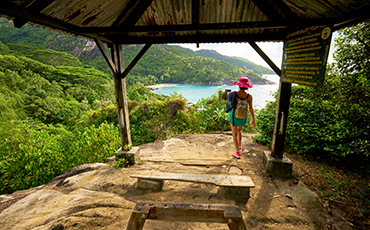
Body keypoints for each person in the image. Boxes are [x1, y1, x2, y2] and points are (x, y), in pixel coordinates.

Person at [226, 77, 256, 159]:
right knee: (239, 130)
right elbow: (251, 108)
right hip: (243, 116)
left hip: (234, 116)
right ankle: (239, 146)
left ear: (239, 85)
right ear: (247, 86)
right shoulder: (249, 96)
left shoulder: (234, 94)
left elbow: (229, 105)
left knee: (234, 134)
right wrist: (253, 119)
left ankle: (237, 152)